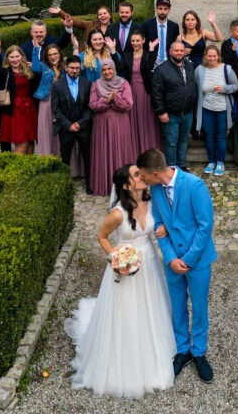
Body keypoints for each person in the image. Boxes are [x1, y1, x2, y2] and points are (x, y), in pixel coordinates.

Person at [64, 163, 176, 398]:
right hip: (126, 267)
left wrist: (163, 227)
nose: (143, 176)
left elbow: (159, 224)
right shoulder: (117, 213)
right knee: (126, 313)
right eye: (137, 174)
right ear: (126, 185)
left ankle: (152, 349)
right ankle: (125, 360)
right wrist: (116, 258)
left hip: (149, 266)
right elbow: (102, 236)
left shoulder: (151, 201)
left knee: (150, 307)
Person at [137, 148, 217, 385]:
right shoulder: (155, 188)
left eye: (143, 176)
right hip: (172, 261)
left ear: (154, 172)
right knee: (177, 305)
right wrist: (171, 258)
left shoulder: (195, 186)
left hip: (198, 261)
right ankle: (182, 349)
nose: (141, 180)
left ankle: (199, 352)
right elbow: (159, 224)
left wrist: (189, 259)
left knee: (199, 307)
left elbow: (205, 227)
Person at [89, 59, 137, 197]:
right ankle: (104, 184)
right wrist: (106, 100)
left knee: (120, 150)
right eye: (104, 70)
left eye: (109, 69)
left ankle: (123, 184)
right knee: (103, 150)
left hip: (120, 123)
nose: (107, 72)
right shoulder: (96, 85)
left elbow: (128, 105)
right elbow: (93, 105)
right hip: (101, 124)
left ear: (114, 69)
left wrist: (115, 99)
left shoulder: (123, 83)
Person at [151, 41, 198, 169]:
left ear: (185, 52)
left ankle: (181, 165)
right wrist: (161, 111)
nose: (179, 53)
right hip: (170, 114)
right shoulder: (161, 69)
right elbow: (156, 93)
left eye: (181, 50)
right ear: (170, 51)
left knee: (183, 141)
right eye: (176, 50)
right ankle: (171, 168)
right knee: (171, 143)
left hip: (187, 112)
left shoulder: (189, 66)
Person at [52, 55, 93, 194]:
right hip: (66, 128)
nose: (74, 71)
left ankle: (89, 182)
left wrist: (81, 123)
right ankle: (65, 185)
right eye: (71, 68)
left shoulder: (87, 84)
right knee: (65, 157)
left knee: (87, 156)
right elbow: (55, 109)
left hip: (83, 127)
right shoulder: (57, 85)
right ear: (66, 68)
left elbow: (90, 107)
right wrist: (68, 125)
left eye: (77, 68)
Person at [195, 46, 238, 176]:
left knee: (221, 137)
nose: (212, 58)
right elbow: (196, 87)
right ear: (205, 56)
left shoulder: (227, 69)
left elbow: (236, 86)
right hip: (206, 108)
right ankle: (211, 161)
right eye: (209, 56)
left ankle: (220, 162)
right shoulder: (199, 70)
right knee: (208, 137)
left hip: (222, 109)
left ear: (218, 56)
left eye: (214, 56)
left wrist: (224, 88)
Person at [0, 44, 43, 154]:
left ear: (22, 56)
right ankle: (18, 170)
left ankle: (29, 169)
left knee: (31, 142)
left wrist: (34, 67)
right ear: (7, 58)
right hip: (15, 110)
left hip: (29, 108)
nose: (15, 59)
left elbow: (37, 83)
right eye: (11, 57)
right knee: (22, 143)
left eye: (17, 56)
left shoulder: (28, 70)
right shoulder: (5, 72)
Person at [121, 29, 162, 155]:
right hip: (130, 91)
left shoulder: (150, 54)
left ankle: (149, 151)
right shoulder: (127, 55)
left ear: (143, 40)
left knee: (146, 120)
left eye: (138, 40)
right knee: (132, 120)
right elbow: (119, 67)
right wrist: (112, 50)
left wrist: (151, 49)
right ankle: (134, 152)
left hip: (145, 92)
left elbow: (148, 67)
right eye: (133, 40)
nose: (135, 43)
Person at [220, 20, 238, 165]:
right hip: (231, 85)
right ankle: (232, 146)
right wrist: (232, 51)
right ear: (231, 32)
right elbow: (224, 62)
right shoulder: (225, 45)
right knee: (232, 116)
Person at [32, 43, 65, 160]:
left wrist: (76, 47)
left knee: (61, 132)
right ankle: (47, 160)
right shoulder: (43, 66)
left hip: (62, 103)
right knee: (47, 131)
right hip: (47, 101)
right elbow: (34, 68)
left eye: (55, 54)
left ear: (59, 55)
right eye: (50, 55)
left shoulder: (64, 67)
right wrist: (36, 49)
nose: (53, 57)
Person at [141, 0, 181, 68]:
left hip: (169, 63)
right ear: (156, 8)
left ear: (169, 10)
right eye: (160, 9)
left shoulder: (174, 26)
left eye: (165, 9)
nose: (162, 12)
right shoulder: (146, 25)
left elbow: (176, 44)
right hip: (152, 63)